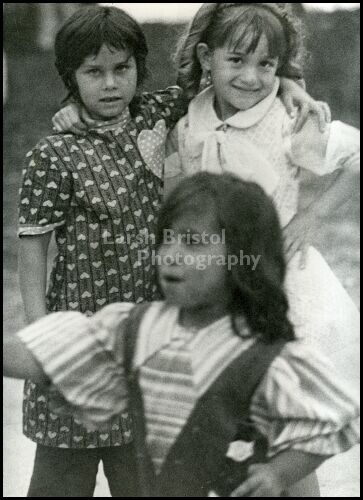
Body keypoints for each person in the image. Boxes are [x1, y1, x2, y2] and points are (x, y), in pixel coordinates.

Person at [5, 173, 360, 497]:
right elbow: (55, 352)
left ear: (240, 258)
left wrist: (279, 474)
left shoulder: (266, 355)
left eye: (192, 243)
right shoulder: (138, 326)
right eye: (166, 240)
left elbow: (333, 420)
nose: (171, 255)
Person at [17, 5, 189, 497]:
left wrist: (292, 86)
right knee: (60, 481)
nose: (110, 84)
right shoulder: (53, 154)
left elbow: (218, 79)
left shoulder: (155, 115)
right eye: (93, 72)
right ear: (71, 78)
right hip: (78, 340)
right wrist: (43, 338)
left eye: (122, 69)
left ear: (139, 67)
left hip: (145, 342)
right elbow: (33, 252)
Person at [164, 2, 360, 363]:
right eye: (236, 60)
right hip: (212, 280)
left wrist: (313, 215)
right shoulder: (188, 123)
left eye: (265, 65)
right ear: (207, 58)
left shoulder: (289, 119)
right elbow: (174, 196)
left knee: (288, 381)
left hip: (278, 277)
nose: (251, 78)